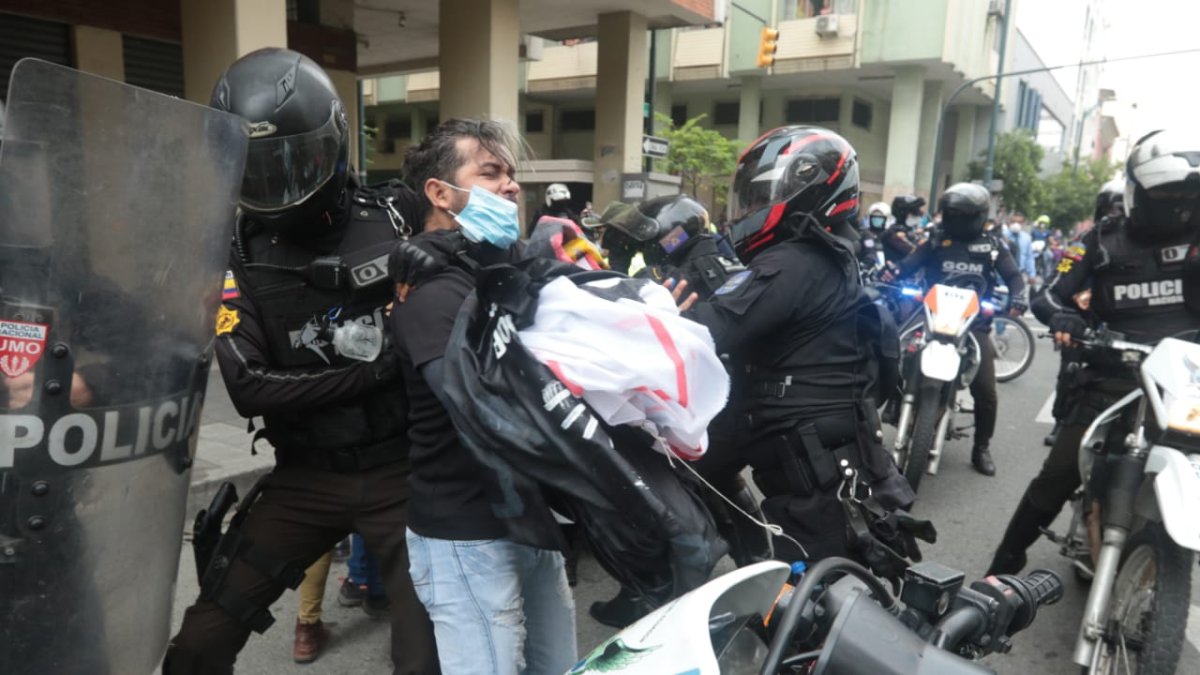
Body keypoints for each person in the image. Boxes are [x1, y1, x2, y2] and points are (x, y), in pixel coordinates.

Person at [164, 48, 437, 675]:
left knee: (425, 659)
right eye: (257, 170)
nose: (277, 186)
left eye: (292, 161)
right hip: (306, 478)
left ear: (334, 141)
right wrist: (380, 367)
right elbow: (250, 388)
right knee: (197, 649)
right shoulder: (232, 252)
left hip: (405, 471)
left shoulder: (397, 213)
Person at [678, 126, 927, 581]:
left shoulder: (793, 262)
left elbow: (711, 330)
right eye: (748, 199)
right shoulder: (826, 256)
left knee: (817, 628)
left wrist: (657, 315)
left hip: (820, 491)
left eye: (759, 199)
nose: (748, 211)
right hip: (826, 469)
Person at [390, 118, 577, 675]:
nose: (511, 187)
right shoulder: (429, 293)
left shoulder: (494, 271)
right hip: (464, 532)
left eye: (512, 175)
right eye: (491, 173)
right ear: (441, 193)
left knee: (557, 665)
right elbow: (479, 404)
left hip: (528, 514)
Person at [987, 130, 1200, 576]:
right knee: (1056, 475)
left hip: (1186, 387)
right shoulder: (1097, 241)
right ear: (1137, 193)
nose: (1180, 204)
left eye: (1188, 194)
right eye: (1168, 194)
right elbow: (1047, 296)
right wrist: (1065, 319)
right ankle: (1002, 565)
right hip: (1112, 379)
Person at [889, 183, 1028, 476]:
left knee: (986, 390)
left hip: (972, 325)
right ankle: (893, 405)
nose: (958, 222)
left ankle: (982, 448)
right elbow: (907, 265)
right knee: (891, 354)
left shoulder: (992, 245)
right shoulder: (936, 240)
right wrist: (891, 273)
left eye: (964, 216)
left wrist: (1019, 295)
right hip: (930, 318)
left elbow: (1014, 275)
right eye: (954, 215)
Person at [1043, 180, 1123, 447]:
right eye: (1112, 209)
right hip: (1085, 322)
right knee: (1070, 371)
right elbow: (1055, 285)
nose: (1117, 215)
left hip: (1128, 329)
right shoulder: (1084, 242)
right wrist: (1063, 316)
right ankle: (1060, 420)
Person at [881, 194, 925, 264]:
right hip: (897, 272)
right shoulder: (894, 233)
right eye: (914, 212)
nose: (918, 215)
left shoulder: (910, 232)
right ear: (903, 213)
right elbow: (916, 252)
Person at [860, 201, 891, 270]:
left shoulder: (889, 235)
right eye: (874, 217)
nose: (877, 220)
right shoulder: (865, 234)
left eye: (880, 218)